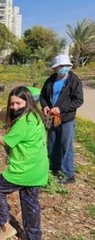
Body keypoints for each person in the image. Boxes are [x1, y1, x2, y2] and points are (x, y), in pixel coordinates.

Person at [0, 86, 49, 240]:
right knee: (30, 202)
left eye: (18, 103)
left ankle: (5, 226)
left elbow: (6, 142)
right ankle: (33, 236)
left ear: (28, 101)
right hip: (38, 168)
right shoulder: (32, 115)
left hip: (24, 169)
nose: (14, 107)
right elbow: (5, 116)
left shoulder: (24, 122)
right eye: (12, 104)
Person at [40, 54, 84, 184]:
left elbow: (79, 100)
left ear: (69, 66)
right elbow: (42, 95)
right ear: (56, 68)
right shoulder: (51, 80)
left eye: (66, 66)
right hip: (53, 118)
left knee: (66, 145)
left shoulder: (74, 81)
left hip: (67, 119)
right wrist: (45, 106)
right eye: (61, 66)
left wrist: (61, 108)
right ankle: (54, 167)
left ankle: (68, 174)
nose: (63, 68)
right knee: (52, 143)